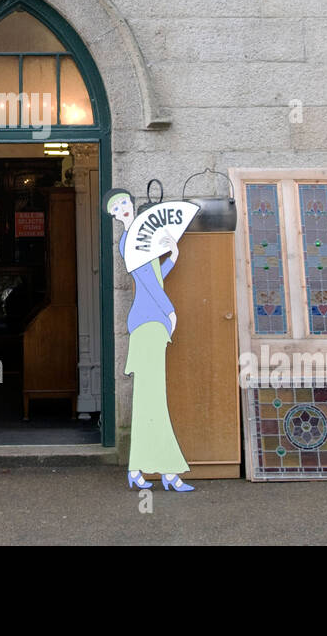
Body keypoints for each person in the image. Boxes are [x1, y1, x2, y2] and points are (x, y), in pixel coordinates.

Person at [106, 188, 194, 492]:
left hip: (149, 320)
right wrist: (169, 311)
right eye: (116, 208)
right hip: (148, 321)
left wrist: (173, 256)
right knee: (151, 398)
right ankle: (165, 471)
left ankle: (144, 469)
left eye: (124, 203)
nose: (122, 209)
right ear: (114, 216)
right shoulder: (128, 243)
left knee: (151, 398)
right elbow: (147, 283)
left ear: (131, 205)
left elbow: (154, 276)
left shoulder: (145, 239)